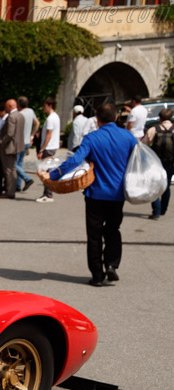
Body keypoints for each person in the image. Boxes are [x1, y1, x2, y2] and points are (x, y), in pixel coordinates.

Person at [41, 103, 137, 286]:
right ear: (116, 117)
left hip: (95, 194)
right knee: (113, 230)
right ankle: (112, 264)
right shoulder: (128, 137)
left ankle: (97, 275)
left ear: (97, 120)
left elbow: (76, 160)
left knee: (94, 235)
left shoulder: (92, 138)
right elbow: (137, 159)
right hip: (118, 194)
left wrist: (53, 175)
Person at [144, 107, 174, 219]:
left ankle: (156, 211)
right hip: (170, 162)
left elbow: (144, 145)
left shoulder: (153, 129)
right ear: (171, 118)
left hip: (155, 162)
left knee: (154, 185)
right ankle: (163, 209)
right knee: (166, 185)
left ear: (160, 118)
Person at [36, 97, 61, 202]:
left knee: (46, 171)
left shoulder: (51, 118)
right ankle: (47, 193)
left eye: (45, 106)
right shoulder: (55, 117)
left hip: (48, 147)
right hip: (52, 146)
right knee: (48, 170)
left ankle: (48, 194)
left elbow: (48, 135)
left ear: (49, 105)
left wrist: (41, 149)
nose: (43, 108)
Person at [0, 99, 22, 199]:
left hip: (9, 146)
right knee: (13, 169)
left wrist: (2, 142)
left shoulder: (11, 117)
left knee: (8, 169)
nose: (6, 109)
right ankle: (12, 190)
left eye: (7, 106)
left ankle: (9, 192)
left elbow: (10, 133)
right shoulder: (20, 115)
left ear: (10, 106)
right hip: (17, 146)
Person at [16, 96, 39, 193]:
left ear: (19, 104)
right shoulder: (31, 111)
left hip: (19, 142)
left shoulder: (19, 114)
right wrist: (32, 135)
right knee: (19, 163)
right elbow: (37, 123)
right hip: (27, 141)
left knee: (13, 164)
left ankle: (27, 179)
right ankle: (18, 185)